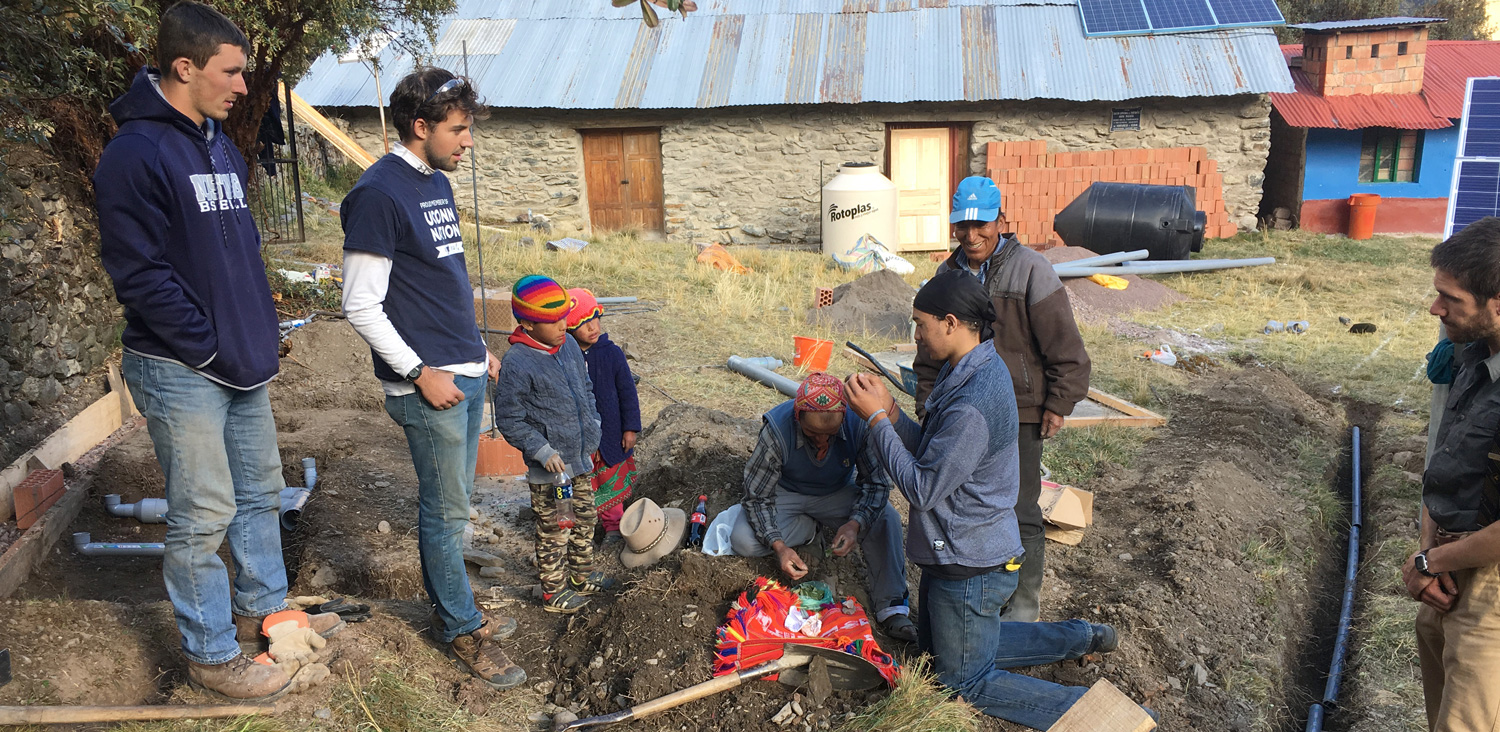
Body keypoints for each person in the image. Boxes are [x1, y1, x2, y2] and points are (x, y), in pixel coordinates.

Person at [93, 1, 342, 700]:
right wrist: (210, 345)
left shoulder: (218, 144)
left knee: (260, 498)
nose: (242, 86)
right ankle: (209, 656)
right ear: (184, 67)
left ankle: (269, 615)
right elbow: (139, 275)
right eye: (230, 72)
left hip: (240, 363)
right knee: (202, 515)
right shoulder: (134, 154)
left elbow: (241, 254)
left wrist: (255, 334)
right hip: (179, 368)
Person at [847, 270, 1150, 731]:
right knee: (944, 652)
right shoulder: (971, 366)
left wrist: (875, 424)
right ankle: (1080, 637)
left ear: (951, 323)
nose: (916, 335)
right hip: (963, 550)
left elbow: (923, 488)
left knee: (961, 681)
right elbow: (934, 451)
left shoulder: (973, 402)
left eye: (920, 323)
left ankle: (1107, 719)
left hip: (970, 564)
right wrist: (890, 411)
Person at [340, 66, 523, 690]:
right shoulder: (378, 195)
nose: (468, 141)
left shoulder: (432, 183)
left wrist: (476, 348)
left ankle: (460, 607)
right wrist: (420, 373)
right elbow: (361, 305)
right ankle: (460, 628)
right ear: (420, 127)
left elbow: (441, 280)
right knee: (444, 515)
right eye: (459, 129)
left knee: (457, 505)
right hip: (429, 385)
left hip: (462, 369)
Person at [912, 176, 1091, 622]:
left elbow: (1064, 346)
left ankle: (1022, 605)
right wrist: (925, 398)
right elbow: (928, 349)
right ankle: (972, 595)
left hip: (1020, 410)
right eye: (962, 225)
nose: (971, 235)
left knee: (1020, 510)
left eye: (981, 223)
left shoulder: (1030, 269)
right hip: (960, 410)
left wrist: (1058, 402)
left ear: (1001, 220)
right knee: (958, 503)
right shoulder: (946, 275)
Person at [729, 373, 916, 642]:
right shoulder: (776, 430)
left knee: (886, 518)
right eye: (812, 433)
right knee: (743, 540)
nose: (821, 442)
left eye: (830, 434)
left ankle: (892, 608)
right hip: (787, 492)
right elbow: (757, 497)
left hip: (837, 492)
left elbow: (875, 484)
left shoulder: (859, 424)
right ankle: (807, 531)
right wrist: (779, 547)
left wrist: (854, 525)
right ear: (798, 418)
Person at [1407, 216, 1500, 732]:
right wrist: (1429, 555)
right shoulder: (1475, 357)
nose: (1435, 308)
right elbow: (1443, 464)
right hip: (1445, 572)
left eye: (1451, 298)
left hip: (1489, 592)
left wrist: (1428, 558)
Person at [494, 275, 613, 614]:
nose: (564, 326)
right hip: (551, 471)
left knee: (585, 518)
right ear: (528, 323)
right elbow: (511, 419)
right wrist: (542, 451)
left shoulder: (570, 346)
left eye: (564, 317)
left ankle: (581, 574)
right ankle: (554, 592)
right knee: (554, 531)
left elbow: (585, 388)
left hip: (579, 459)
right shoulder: (517, 363)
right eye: (553, 321)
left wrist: (594, 424)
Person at [565, 288, 641, 537]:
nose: (592, 327)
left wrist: (630, 427)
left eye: (595, 319)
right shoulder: (566, 356)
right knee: (584, 483)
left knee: (610, 481)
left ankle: (612, 529)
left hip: (610, 433)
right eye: (584, 323)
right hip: (580, 438)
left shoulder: (612, 354)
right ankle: (581, 529)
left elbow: (627, 392)